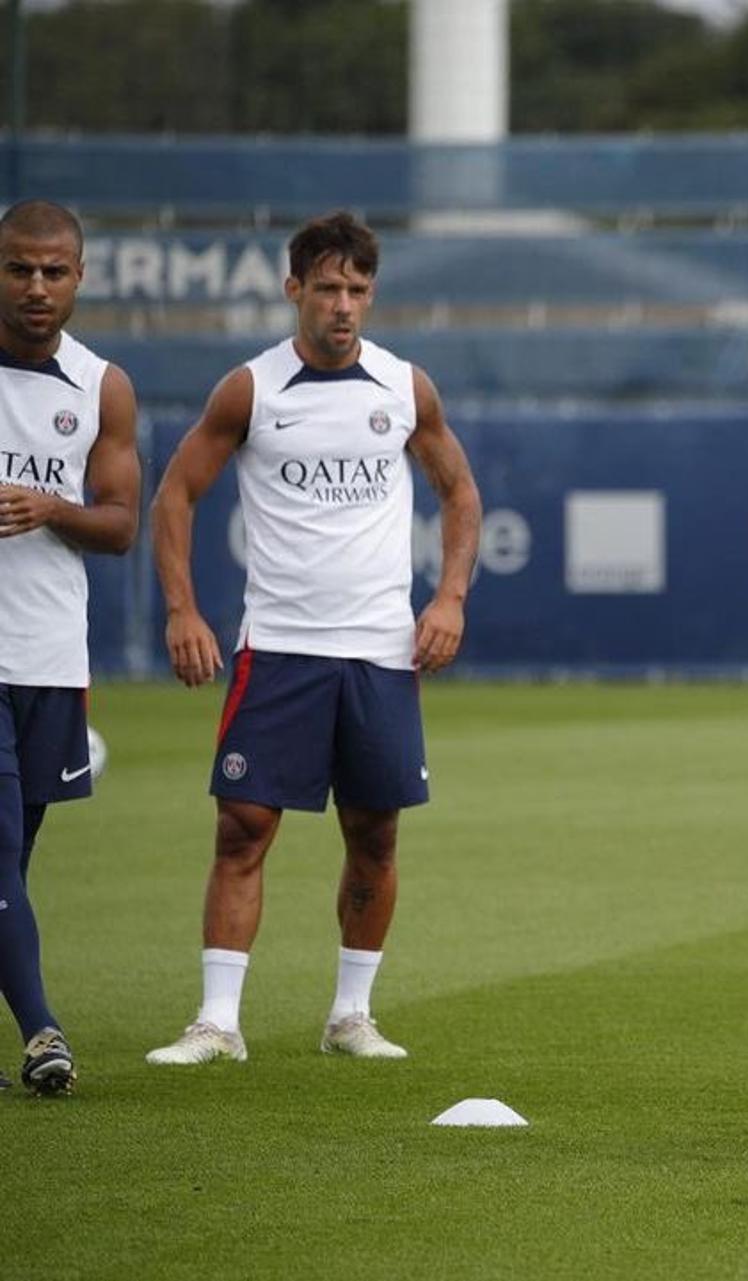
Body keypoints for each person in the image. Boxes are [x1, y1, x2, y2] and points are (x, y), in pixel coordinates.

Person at [145, 211, 481, 1067]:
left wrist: (448, 598)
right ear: (294, 289)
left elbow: (460, 494)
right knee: (243, 826)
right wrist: (183, 611)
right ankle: (218, 1021)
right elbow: (175, 495)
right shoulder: (250, 390)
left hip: (378, 650)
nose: (342, 305)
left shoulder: (404, 386)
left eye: (357, 289)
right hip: (280, 646)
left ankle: (351, 1015)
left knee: (375, 833)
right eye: (326, 287)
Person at [0, 201, 141, 1097]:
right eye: (19, 269)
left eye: (54, 271)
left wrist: (52, 509)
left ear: (80, 277)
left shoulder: (101, 387)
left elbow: (122, 523)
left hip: (50, 658)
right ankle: (43, 1029)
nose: (37, 287)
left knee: (14, 861)